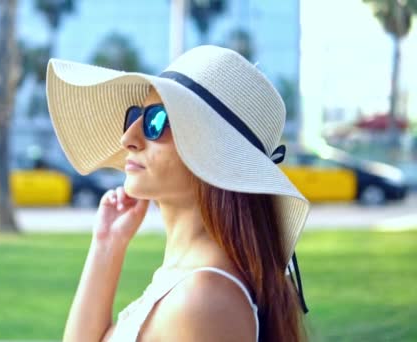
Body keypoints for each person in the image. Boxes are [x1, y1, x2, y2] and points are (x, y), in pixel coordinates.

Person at [46, 45, 310, 342]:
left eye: (155, 121)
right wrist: (107, 244)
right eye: (135, 115)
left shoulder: (203, 299)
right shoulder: (188, 280)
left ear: (214, 153)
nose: (128, 138)